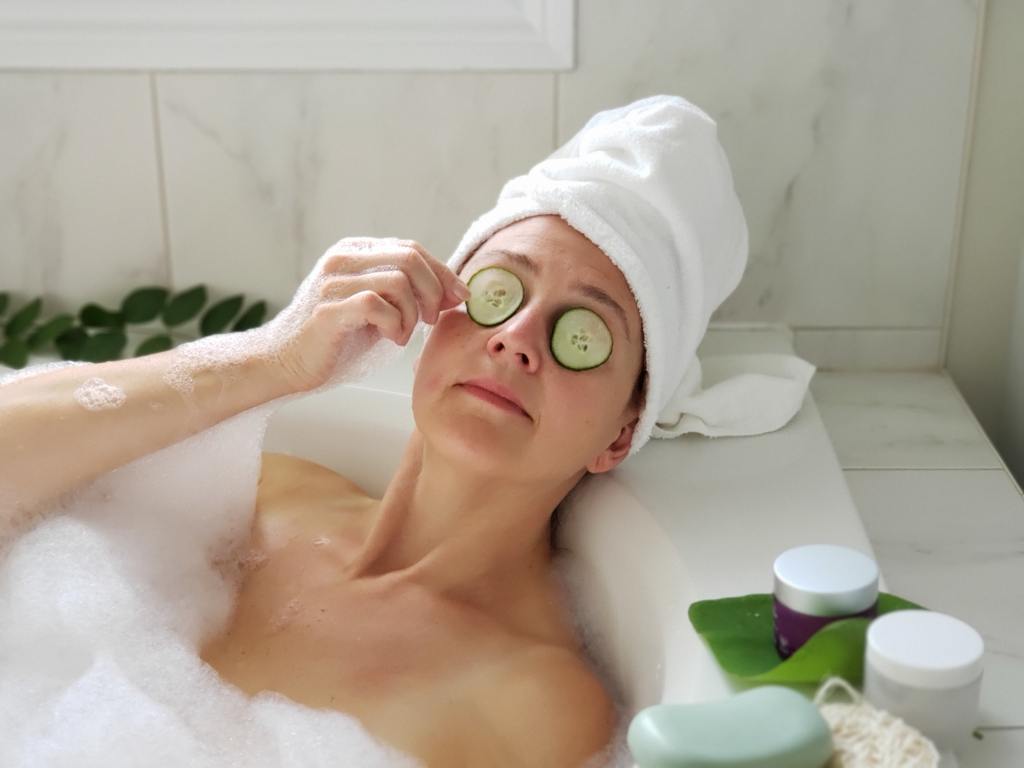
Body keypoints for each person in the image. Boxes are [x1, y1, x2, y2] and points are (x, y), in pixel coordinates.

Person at [0, 220, 642, 767]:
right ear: (436, 319)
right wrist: (270, 359)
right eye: (497, 294)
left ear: (620, 433)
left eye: (582, 336)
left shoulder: (539, 704)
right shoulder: (257, 492)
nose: (517, 338)